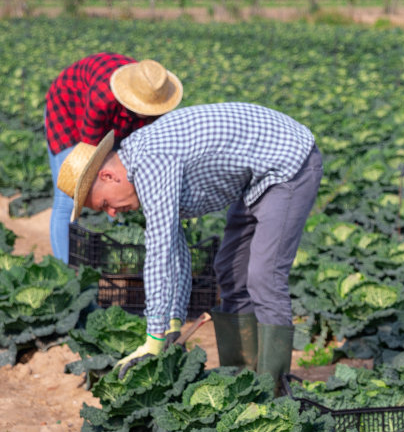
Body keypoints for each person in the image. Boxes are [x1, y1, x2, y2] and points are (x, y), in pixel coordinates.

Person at [53, 102, 322, 390]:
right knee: (230, 270)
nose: (112, 213)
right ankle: (242, 378)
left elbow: (160, 248)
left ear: (108, 176)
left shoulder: (150, 161)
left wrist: (154, 336)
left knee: (264, 275)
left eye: (105, 203)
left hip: (288, 164)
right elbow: (177, 250)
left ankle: (275, 389)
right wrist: (172, 322)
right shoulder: (141, 162)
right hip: (254, 179)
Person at [43, 55, 183, 264]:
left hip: (117, 118)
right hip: (69, 110)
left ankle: (120, 257)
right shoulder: (102, 97)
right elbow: (89, 155)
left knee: (121, 188)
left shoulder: (157, 96)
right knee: (67, 199)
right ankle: (66, 270)